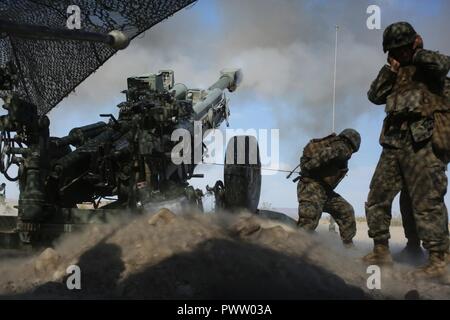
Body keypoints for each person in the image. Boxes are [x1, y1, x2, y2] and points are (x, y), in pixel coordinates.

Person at [363, 21, 450, 278]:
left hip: (423, 142)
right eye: (394, 50)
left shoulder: (430, 66)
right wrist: (390, 70)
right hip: (394, 142)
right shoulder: (395, 72)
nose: (399, 54)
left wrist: (418, 52)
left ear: (415, 42)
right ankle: (380, 250)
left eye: (403, 48)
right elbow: (374, 95)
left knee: (427, 201)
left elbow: (444, 64)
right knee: (377, 195)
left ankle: (439, 259)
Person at [296, 129, 360, 247]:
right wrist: (308, 167)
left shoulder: (337, 145)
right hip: (311, 187)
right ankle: (295, 249)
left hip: (324, 190)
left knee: (345, 210)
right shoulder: (342, 147)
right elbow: (328, 154)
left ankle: (348, 246)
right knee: (308, 221)